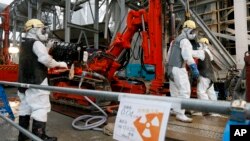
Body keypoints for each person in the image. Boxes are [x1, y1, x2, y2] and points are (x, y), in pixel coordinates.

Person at [18, 19, 68, 141]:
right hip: (37, 81)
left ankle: (23, 136)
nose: (44, 32)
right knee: (41, 107)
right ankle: (39, 136)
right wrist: (60, 64)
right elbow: (45, 60)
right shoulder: (36, 44)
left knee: (25, 107)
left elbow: (33, 57)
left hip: (23, 81)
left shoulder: (24, 43)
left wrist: (46, 48)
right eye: (42, 29)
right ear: (34, 28)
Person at [167, 20, 199, 123]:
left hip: (170, 69)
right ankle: (180, 114)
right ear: (188, 29)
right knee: (185, 91)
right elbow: (187, 56)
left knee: (175, 91)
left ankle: (175, 110)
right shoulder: (185, 41)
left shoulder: (174, 41)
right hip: (179, 69)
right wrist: (194, 67)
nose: (194, 33)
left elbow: (168, 57)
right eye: (193, 31)